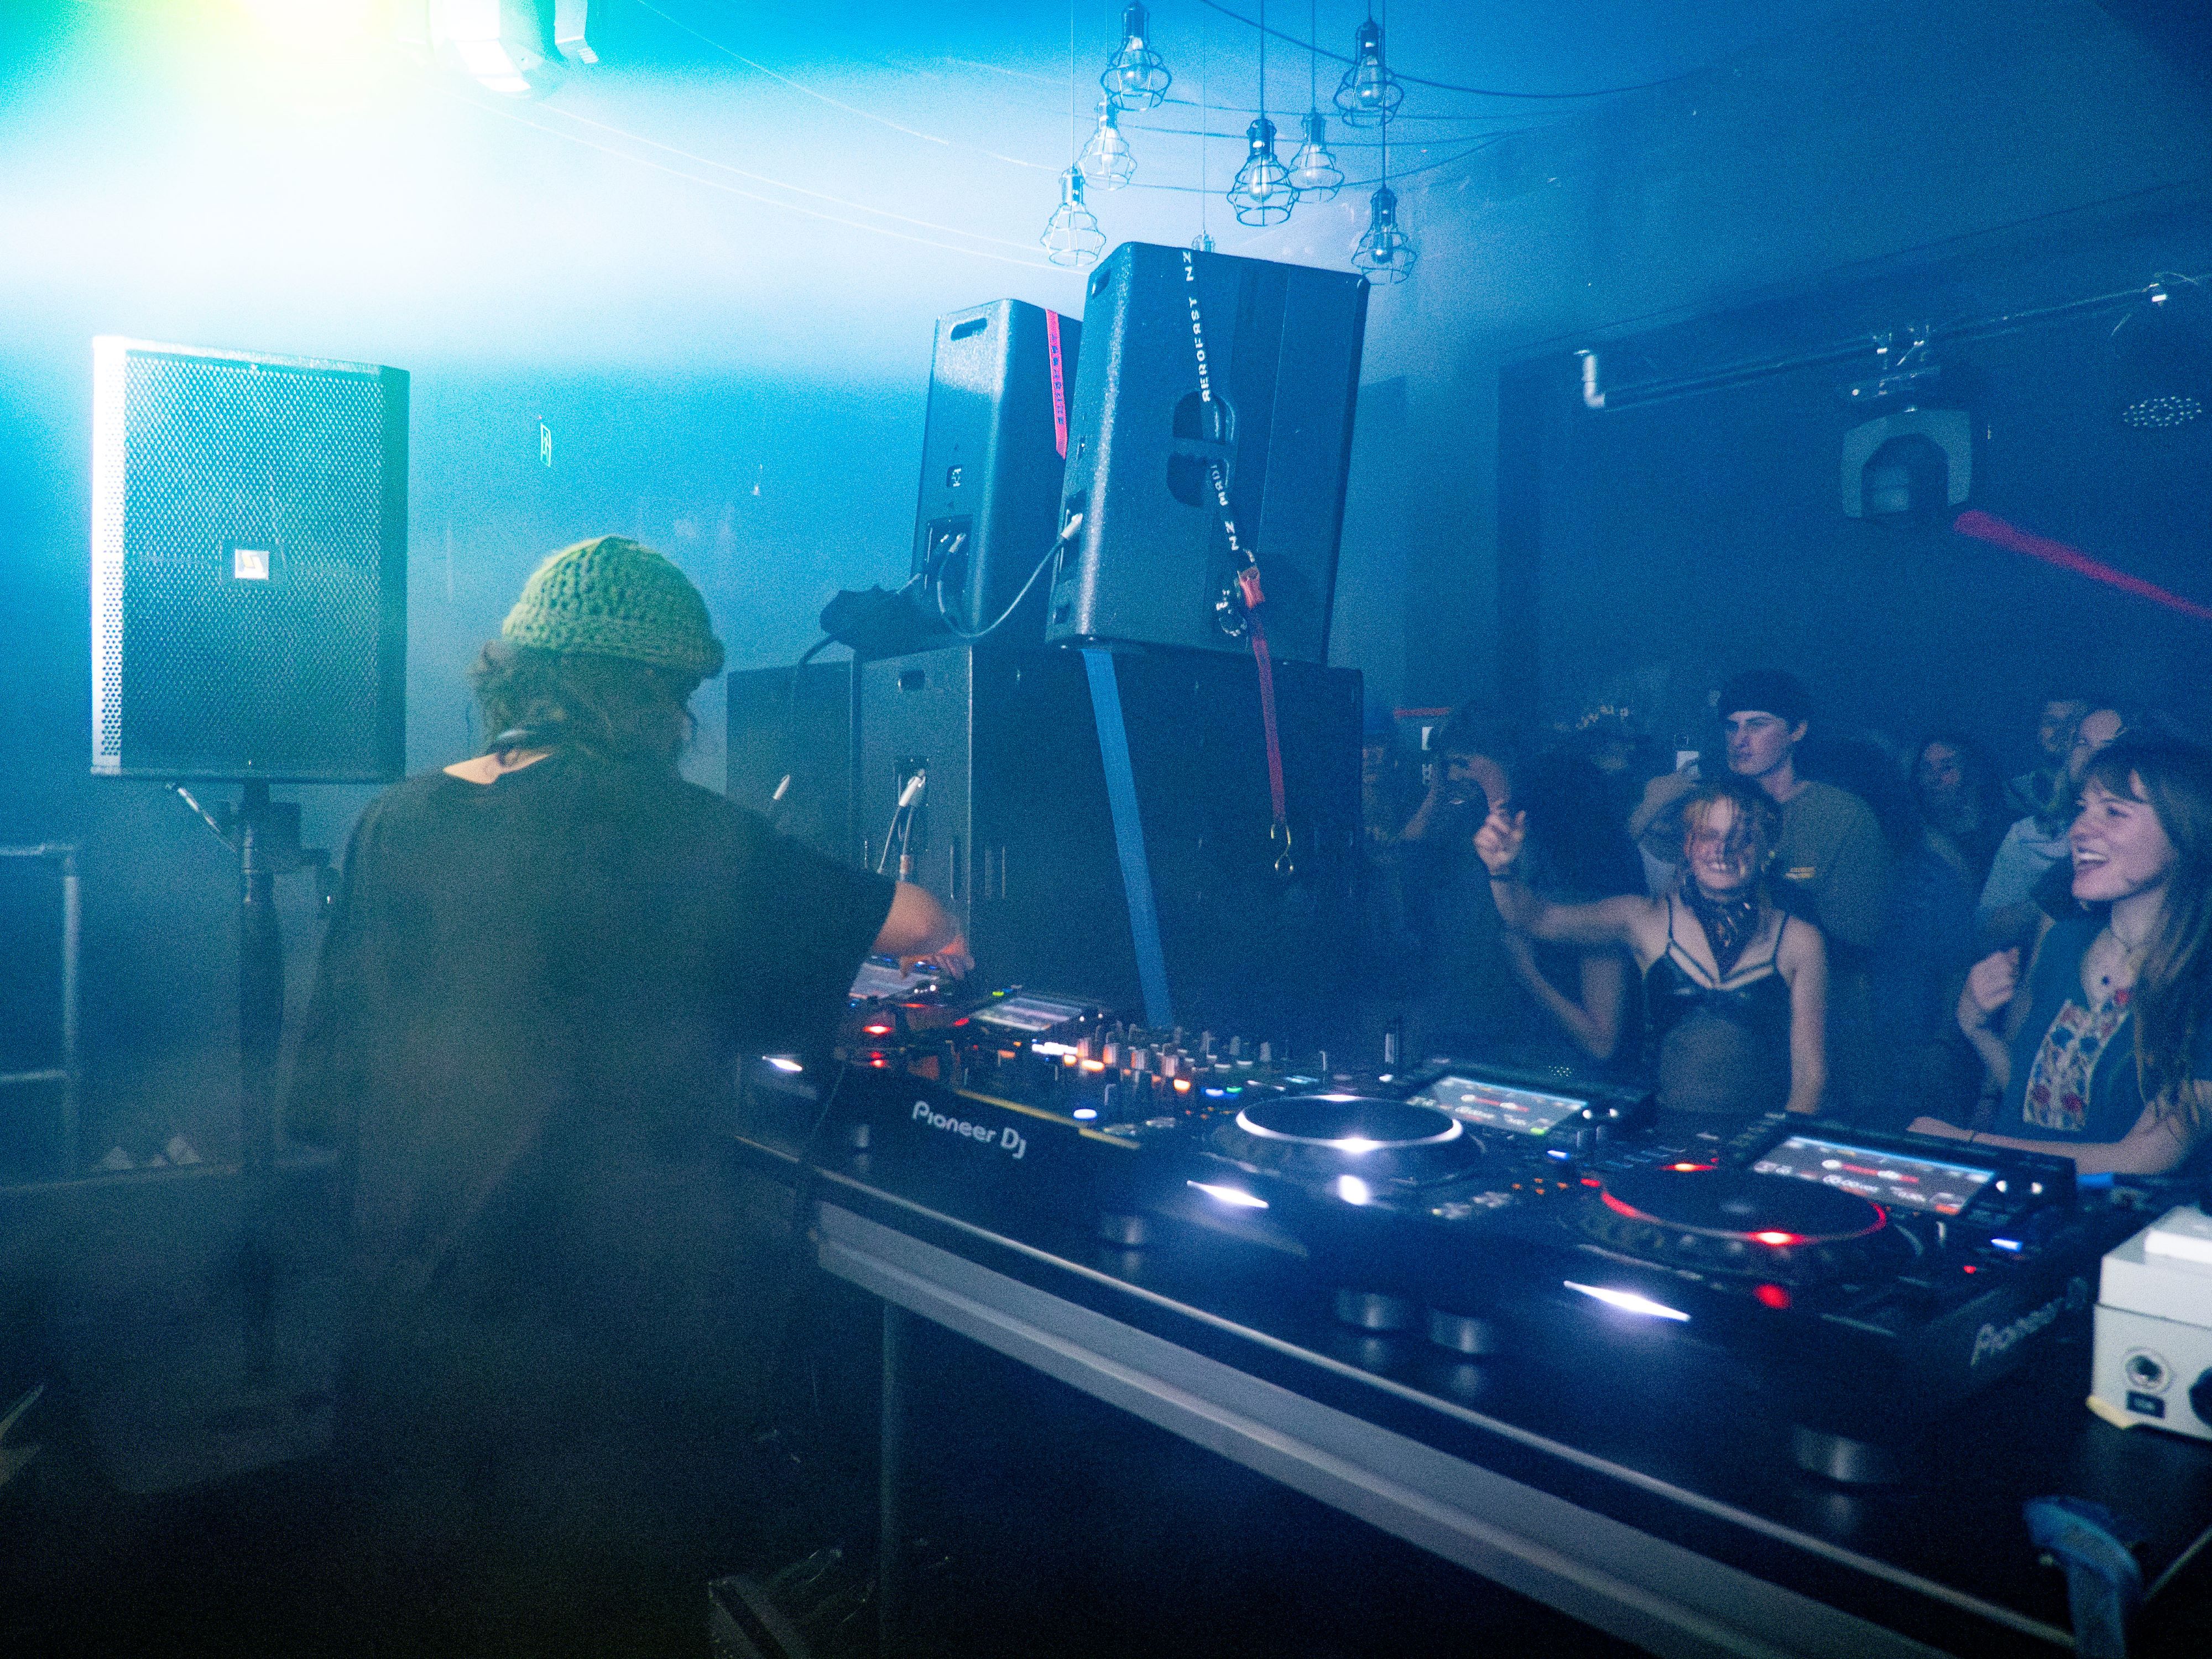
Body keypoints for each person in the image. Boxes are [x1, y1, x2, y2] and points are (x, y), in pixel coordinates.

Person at [289, 536, 967, 1644]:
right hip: (595, 1369)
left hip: (407, 1336)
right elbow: (921, 925)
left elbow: (327, 1096)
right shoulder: (677, 831)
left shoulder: (394, 821)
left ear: (514, 671)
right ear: (651, 693)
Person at [1913, 739, 2212, 1175]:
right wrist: (1976, 1028)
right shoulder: (2065, 944)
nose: (2079, 830)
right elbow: (2040, 1099)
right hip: (2026, 1212)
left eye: (2113, 811)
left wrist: (1966, 1146)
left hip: (2123, 1236)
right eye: (2083, 808)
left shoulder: (2201, 977)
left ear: (2187, 829)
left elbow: (2144, 1159)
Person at [1478, 775, 1828, 1117]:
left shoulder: (1799, 941)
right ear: (1687, 844)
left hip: (1751, 1139)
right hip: (1661, 1126)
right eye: (1710, 836)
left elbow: (1809, 1076)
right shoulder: (1644, 919)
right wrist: (1502, 871)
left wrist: (1772, 1154)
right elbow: (1534, 919)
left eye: (1741, 839)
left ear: (1766, 848)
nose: (1722, 851)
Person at [1977, 705, 2125, 950]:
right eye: (2083, 743)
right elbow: (1985, 928)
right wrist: (2043, 903)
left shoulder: (2149, 832)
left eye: (2107, 746)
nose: (2092, 756)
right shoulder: (2028, 835)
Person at [2005, 695, 2093, 822]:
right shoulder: (2015, 791)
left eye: (2072, 724)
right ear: (2038, 730)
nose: (2061, 732)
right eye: (2052, 723)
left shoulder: (2102, 788)